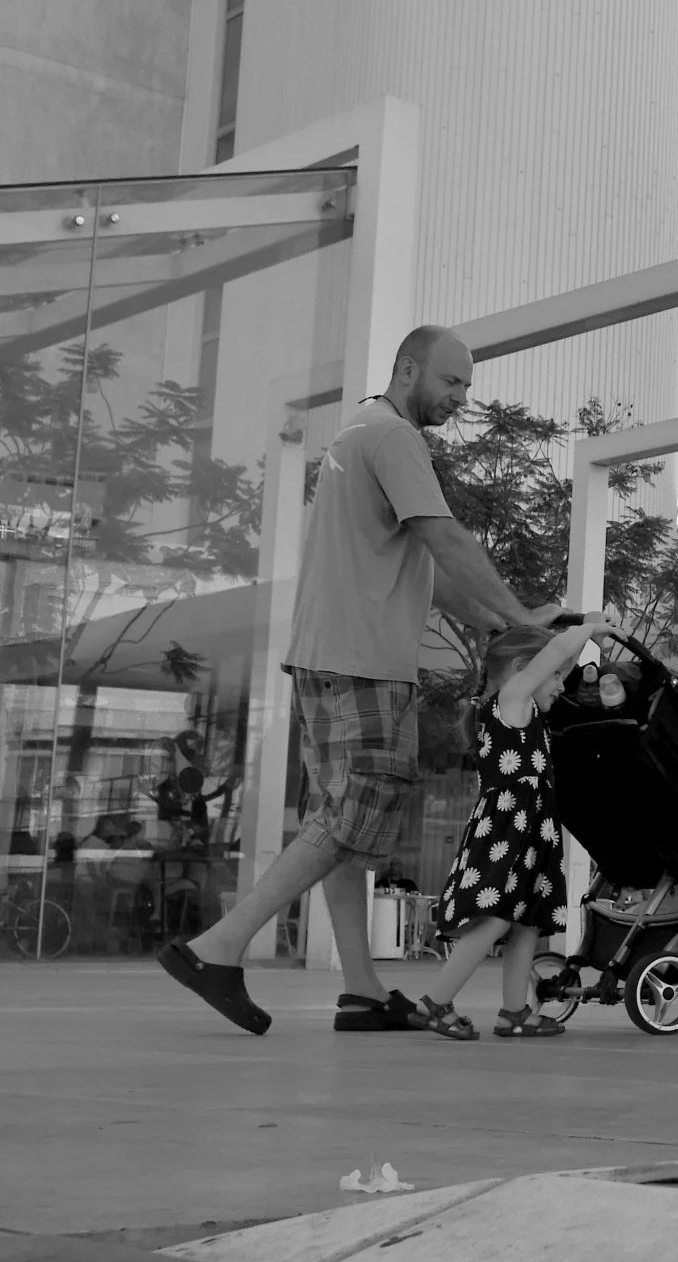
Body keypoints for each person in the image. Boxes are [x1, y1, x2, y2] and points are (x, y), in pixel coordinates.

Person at [159, 324, 563, 1035]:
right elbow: (445, 538)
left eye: (467, 386)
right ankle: (217, 949)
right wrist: (523, 617)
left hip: (322, 654)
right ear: (409, 369)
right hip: (362, 661)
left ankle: (362, 988)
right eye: (451, 382)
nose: (461, 398)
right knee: (352, 815)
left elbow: (425, 572)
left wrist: (496, 624)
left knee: (336, 821)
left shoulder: (356, 433)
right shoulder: (394, 437)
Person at [409, 617, 607, 1040]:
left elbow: (560, 661)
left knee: (527, 920)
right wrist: (587, 627)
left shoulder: (527, 707)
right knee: (497, 916)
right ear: (522, 669)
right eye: (553, 675)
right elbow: (553, 655)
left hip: (530, 831)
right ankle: (434, 1002)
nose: (560, 683)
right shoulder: (510, 702)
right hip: (506, 831)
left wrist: (586, 645)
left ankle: (515, 1012)